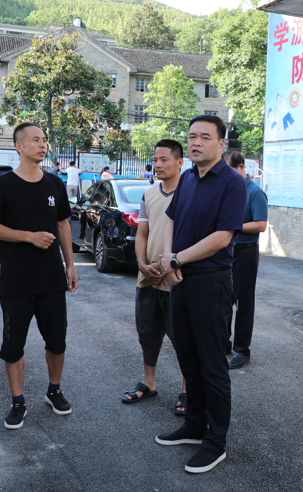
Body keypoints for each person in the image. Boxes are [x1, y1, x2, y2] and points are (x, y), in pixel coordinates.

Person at [155, 115, 246, 474]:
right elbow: (171, 220)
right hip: (181, 279)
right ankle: (194, 426)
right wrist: (169, 259)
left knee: (212, 366)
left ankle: (215, 442)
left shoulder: (232, 182)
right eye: (192, 136)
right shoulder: (188, 178)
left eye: (205, 137)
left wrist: (178, 258)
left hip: (211, 283)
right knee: (188, 360)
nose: (195, 142)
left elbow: (223, 237)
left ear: (221, 144)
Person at [0, 123, 80, 430]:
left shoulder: (54, 184)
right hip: (16, 281)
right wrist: (29, 237)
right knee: (13, 345)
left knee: (57, 341)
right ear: (19, 146)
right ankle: (18, 401)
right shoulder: (2, 185)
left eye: (44, 140)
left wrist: (70, 265)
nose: (43, 145)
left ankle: (54, 390)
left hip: (51, 279)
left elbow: (63, 225)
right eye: (36, 140)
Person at [121, 139, 187, 414]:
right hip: (148, 276)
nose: (157, 165)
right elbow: (142, 234)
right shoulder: (148, 194)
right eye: (155, 160)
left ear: (180, 162)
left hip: (177, 278)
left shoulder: (190, 192)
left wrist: (172, 264)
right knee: (147, 332)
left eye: (164, 160)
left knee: (182, 337)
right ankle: (149, 381)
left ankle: (187, 389)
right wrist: (141, 264)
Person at [223, 150, 268, 369]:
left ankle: (242, 350)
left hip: (246, 251)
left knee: (243, 302)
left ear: (241, 167)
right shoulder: (229, 190)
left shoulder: (255, 193)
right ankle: (224, 342)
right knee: (223, 298)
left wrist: (234, 226)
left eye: (229, 169)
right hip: (226, 250)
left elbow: (261, 225)